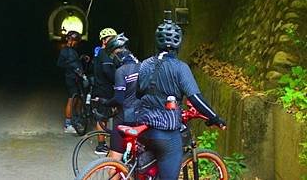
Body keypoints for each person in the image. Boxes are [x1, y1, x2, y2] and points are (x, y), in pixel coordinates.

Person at [136, 13, 226, 180]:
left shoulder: (145, 64)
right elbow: (195, 99)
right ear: (178, 44)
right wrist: (214, 117)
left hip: (143, 130)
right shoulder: (180, 68)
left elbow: (138, 93)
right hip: (166, 134)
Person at [94, 33, 140, 158]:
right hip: (141, 117)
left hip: (124, 117)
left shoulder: (121, 71)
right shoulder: (142, 66)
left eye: (112, 55)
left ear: (116, 54)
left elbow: (119, 99)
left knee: (114, 162)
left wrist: (105, 102)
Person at [91, 27, 118, 153]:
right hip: (104, 89)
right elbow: (108, 71)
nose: (114, 41)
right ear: (104, 40)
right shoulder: (105, 53)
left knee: (103, 117)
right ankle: (101, 146)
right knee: (102, 118)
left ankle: (103, 143)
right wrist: (117, 81)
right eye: (111, 39)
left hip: (99, 87)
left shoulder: (99, 53)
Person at [56, 28, 88, 133]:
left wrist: (81, 58)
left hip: (76, 78)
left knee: (79, 99)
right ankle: (68, 124)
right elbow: (60, 64)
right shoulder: (65, 51)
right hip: (71, 78)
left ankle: (77, 118)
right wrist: (71, 67)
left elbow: (72, 62)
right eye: (76, 42)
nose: (76, 44)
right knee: (71, 99)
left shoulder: (72, 51)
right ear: (72, 40)